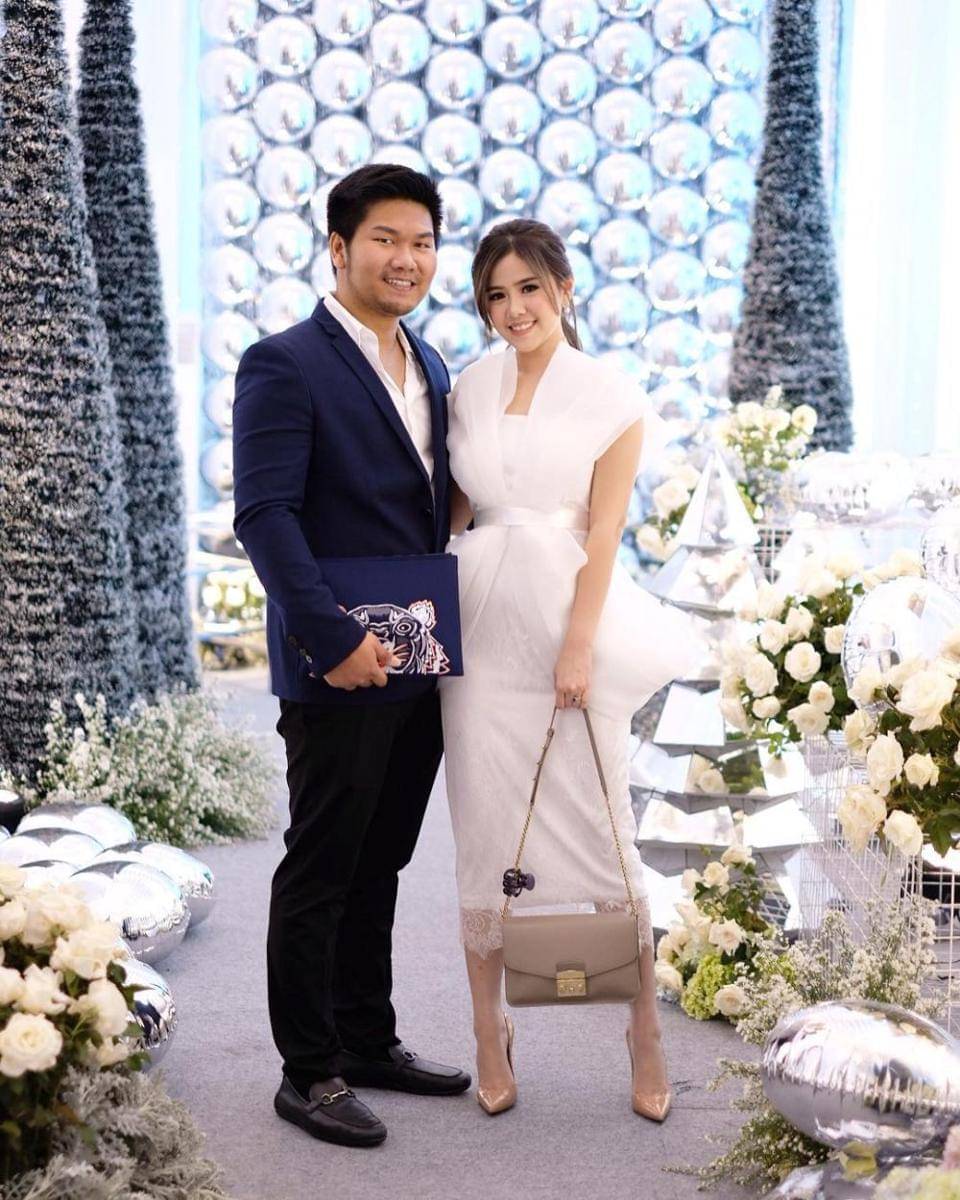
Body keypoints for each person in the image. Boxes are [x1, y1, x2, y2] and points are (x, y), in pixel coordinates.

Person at [232, 164, 470, 1150]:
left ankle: (367, 1038)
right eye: (385, 239)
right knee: (324, 860)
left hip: (421, 648)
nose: (406, 258)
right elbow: (265, 513)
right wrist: (332, 639)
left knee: (385, 856)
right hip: (337, 657)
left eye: (422, 241)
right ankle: (310, 1070)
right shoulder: (284, 362)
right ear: (339, 248)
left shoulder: (434, 364)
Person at [439, 219, 698, 1119]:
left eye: (528, 289)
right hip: (478, 629)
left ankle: (643, 1029)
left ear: (563, 289)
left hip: (563, 616)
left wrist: (579, 642)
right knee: (484, 830)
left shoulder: (609, 395)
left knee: (601, 823)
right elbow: (456, 512)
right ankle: (489, 1029)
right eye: (495, 295)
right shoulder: (469, 387)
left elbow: (605, 528)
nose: (514, 309)